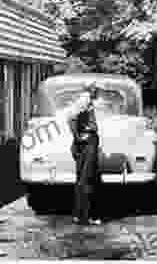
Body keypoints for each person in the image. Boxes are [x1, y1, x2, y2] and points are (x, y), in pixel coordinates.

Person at [68, 83, 102, 225]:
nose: (98, 92)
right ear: (90, 90)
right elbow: (71, 119)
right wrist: (78, 137)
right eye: (96, 89)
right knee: (87, 179)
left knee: (84, 178)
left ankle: (79, 214)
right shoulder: (85, 100)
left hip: (87, 140)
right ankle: (86, 216)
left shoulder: (86, 100)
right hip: (87, 142)